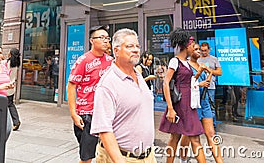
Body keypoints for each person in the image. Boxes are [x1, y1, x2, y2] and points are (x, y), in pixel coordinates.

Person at [91, 28, 156, 163]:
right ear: (116, 51)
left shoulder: (138, 75)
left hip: (148, 156)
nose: (136, 50)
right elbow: (104, 129)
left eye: (137, 46)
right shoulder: (108, 84)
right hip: (121, 158)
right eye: (129, 46)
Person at [159, 28, 206, 163]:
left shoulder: (186, 62)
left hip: (189, 103)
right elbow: (165, 83)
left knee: (179, 137)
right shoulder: (175, 61)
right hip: (180, 104)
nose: (194, 48)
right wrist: (170, 108)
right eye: (192, 46)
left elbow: (189, 81)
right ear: (187, 46)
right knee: (181, 138)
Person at [67, 26, 113, 163]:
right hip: (87, 114)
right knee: (87, 157)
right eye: (102, 38)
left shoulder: (111, 61)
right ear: (92, 40)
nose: (105, 41)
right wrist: (74, 114)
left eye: (107, 38)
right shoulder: (84, 60)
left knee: (109, 152)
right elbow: (71, 86)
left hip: (106, 113)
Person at [180, 43, 223, 163]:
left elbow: (209, 78)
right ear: (189, 50)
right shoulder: (185, 66)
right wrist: (199, 83)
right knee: (190, 135)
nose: (199, 52)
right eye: (196, 49)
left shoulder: (201, 64)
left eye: (200, 49)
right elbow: (185, 85)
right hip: (193, 104)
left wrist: (208, 73)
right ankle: (183, 158)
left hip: (204, 102)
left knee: (211, 134)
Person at [198, 42, 222, 129]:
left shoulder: (214, 59)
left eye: (205, 50)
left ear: (209, 50)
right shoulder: (197, 59)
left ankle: (212, 126)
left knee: (211, 106)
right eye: (202, 50)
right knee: (199, 105)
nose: (203, 52)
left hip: (210, 86)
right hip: (199, 86)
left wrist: (209, 70)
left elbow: (219, 72)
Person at [5, 48, 21, 130]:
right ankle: (15, 121)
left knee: (7, 104)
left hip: (6, 86)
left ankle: (15, 121)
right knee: (10, 104)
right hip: (12, 86)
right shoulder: (17, 63)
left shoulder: (8, 63)